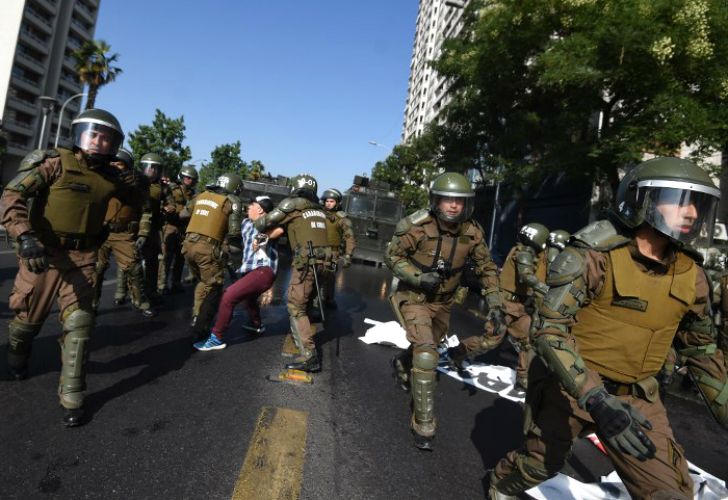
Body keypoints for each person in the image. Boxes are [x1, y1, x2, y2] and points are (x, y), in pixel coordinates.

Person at [488, 157, 728, 499]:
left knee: (669, 492)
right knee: (541, 464)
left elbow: (700, 350)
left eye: (697, 203)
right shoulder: (592, 257)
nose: (690, 212)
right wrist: (595, 398)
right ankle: (500, 483)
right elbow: (550, 331)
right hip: (571, 386)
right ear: (639, 200)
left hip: (638, 397)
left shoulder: (694, 276)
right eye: (677, 200)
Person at [0, 108, 140, 426]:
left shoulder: (112, 178)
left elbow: (132, 207)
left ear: (114, 144)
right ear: (79, 135)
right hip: (42, 255)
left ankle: (72, 397)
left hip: (84, 258)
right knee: (26, 322)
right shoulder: (55, 162)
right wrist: (24, 237)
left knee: (79, 324)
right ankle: (17, 356)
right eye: (93, 134)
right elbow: (12, 195)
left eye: (106, 138)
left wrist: (134, 188)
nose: (98, 142)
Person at [385, 171, 503, 450]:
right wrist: (417, 276)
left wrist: (496, 304)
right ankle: (424, 424)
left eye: (459, 201)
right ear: (436, 201)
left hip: (444, 302)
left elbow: (487, 269)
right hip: (413, 297)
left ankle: (402, 363)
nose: (453, 206)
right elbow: (392, 256)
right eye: (447, 200)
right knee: (426, 352)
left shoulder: (472, 232)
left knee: (428, 348)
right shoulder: (416, 226)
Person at [254, 173, 334, 373]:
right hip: (325, 263)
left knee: (295, 306)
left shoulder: (294, 204)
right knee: (305, 304)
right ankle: (302, 333)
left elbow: (262, 224)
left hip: (307, 263)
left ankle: (309, 357)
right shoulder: (319, 209)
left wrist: (258, 218)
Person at [194, 196, 279, 351]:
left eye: (251, 204)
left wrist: (262, 237)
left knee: (228, 296)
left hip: (263, 269)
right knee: (249, 298)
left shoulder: (269, 222)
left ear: (259, 209)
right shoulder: (246, 222)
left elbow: (280, 229)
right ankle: (256, 324)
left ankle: (216, 338)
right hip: (250, 270)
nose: (248, 207)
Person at [486, 222, 550, 390]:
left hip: (520, 306)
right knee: (489, 341)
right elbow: (526, 276)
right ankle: (456, 353)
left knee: (527, 341)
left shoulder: (532, 254)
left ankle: (523, 377)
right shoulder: (524, 254)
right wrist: (545, 289)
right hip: (505, 304)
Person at [93, 148, 155, 318]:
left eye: (118, 163)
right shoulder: (100, 179)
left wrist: (143, 233)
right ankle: (91, 304)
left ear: (127, 167)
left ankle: (140, 302)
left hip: (124, 234)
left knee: (134, 268)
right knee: (96, 269)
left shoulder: (137, 185)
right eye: (110, 162)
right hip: (100, 231)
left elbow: (146, 211)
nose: (113, 166)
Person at [183, 173, 243, 341]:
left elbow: (183, 214)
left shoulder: (201, 195)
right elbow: (234, 235)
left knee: (203, 282)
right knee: (215, 286)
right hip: (207, 249)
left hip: (187, 246)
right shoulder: (232, 202)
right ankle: (201, 327)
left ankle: (196, 314)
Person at [158, 165, 198, 294]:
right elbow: (164, 203)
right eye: (187, 177)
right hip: (170, 226)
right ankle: (162, 285)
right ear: (182, 177)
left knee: (180, 258)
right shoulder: (172, 189)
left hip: (184, 228)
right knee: (166, 258)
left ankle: (175, 283)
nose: (189, 180)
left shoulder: (193, 194)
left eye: (191, 178)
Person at [138, 152, 170, 304]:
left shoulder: (162, 188)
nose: (151, 171)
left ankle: (150, 291)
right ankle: (132, 293)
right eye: (148, 167)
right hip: (133, 226)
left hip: (153, 227)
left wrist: (169, 208)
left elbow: (170, 203)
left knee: (152, 262)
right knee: (131, 263)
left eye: (155, 168)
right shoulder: (134, 181)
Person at [319, 187, 356, 309]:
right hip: (317, 250)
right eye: (327, 201)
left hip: (333, 253)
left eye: (332, 201)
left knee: (329, 278)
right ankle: (313, 299)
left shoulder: (342, 219)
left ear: (337, 203)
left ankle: (328, 298)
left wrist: (348, 255)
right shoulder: (317, 215)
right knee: (314, 276)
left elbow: (349, 237)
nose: (328, 204)